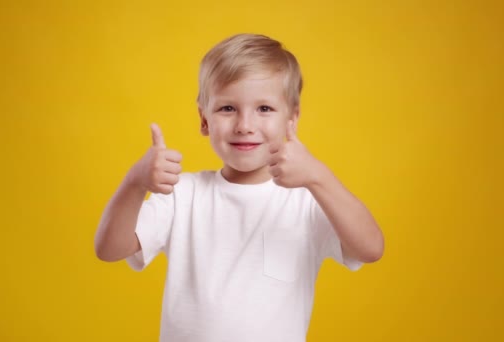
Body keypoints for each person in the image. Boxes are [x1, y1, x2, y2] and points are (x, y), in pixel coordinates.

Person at [94, 33, 384, 341]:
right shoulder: (183, 195)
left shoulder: (307, 201)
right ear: (204, 119)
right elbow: (110, 249)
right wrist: (135, 182)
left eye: (264, 109)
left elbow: (370, 249)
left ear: (292, 119)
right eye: (228, 108)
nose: (245, 125)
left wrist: (320, 177)